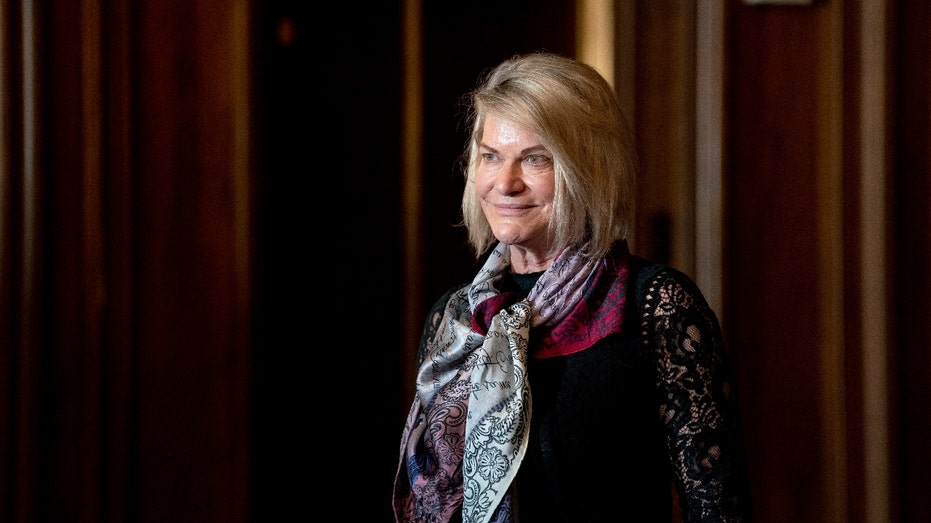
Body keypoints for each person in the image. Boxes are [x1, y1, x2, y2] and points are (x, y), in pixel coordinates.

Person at [393, 52, 753, 522]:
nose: (505, 182)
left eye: (535, 159)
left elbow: (718, 509)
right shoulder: (456, 317)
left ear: (588, 169)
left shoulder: (656, 306)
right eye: (490, 156)